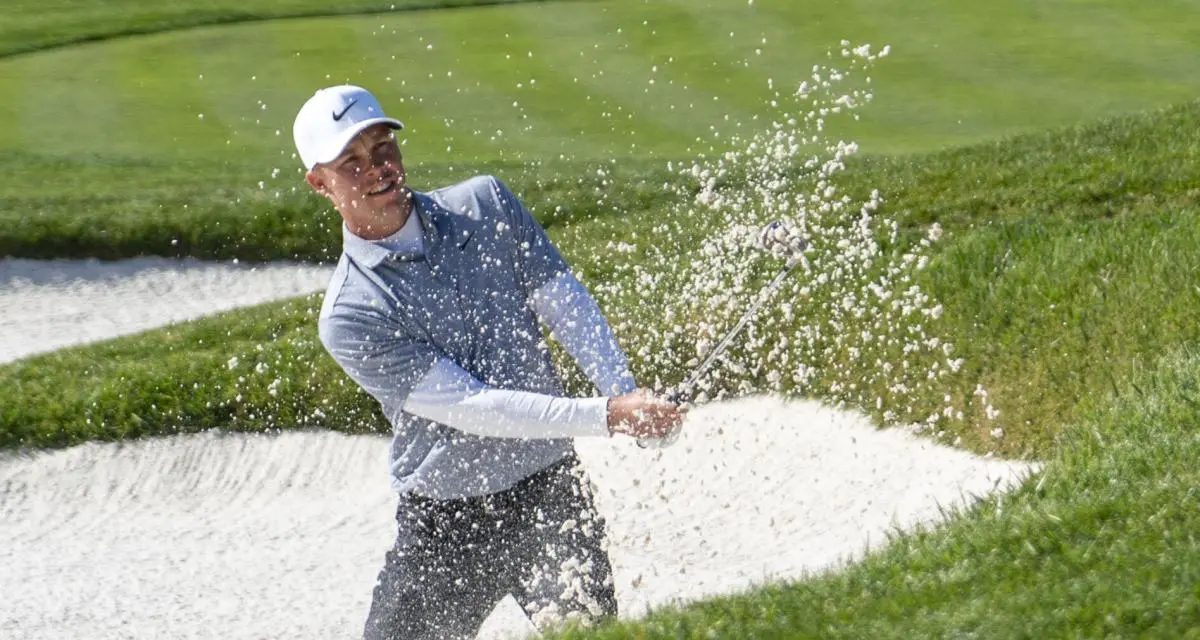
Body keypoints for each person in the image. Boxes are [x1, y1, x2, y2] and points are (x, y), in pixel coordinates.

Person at [292, 85, 687, 640]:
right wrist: (611, 414)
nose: (377, 169)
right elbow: (474, 405)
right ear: (319, 182)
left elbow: (563, 302)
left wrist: (625, 388)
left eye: (382, 147)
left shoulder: (486, 204)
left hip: (550, 494)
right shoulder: (352, 312)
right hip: (447, 524)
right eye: (350, 162)